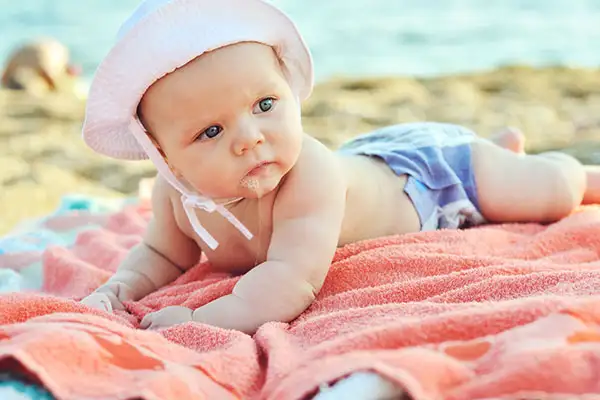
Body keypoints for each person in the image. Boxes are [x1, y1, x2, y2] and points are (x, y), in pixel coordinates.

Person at [80, 0, 600, 334]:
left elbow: (289, 280)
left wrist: (197, 320)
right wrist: (120, 288)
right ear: (164, 157)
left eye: (265, 105)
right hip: (379, 161)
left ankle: (558, 167)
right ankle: (503, 149)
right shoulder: (178, 196)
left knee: (552, 190)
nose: (251, 138)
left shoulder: (309, 175)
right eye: (210, 132)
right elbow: (159, 254)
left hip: (428, 177)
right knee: (520, 176)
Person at [1, 37, 82, 96]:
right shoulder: (58, 56)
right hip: (39, 54)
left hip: (25, 52)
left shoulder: (59, 53)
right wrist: (55, 91)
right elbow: (46, 72)